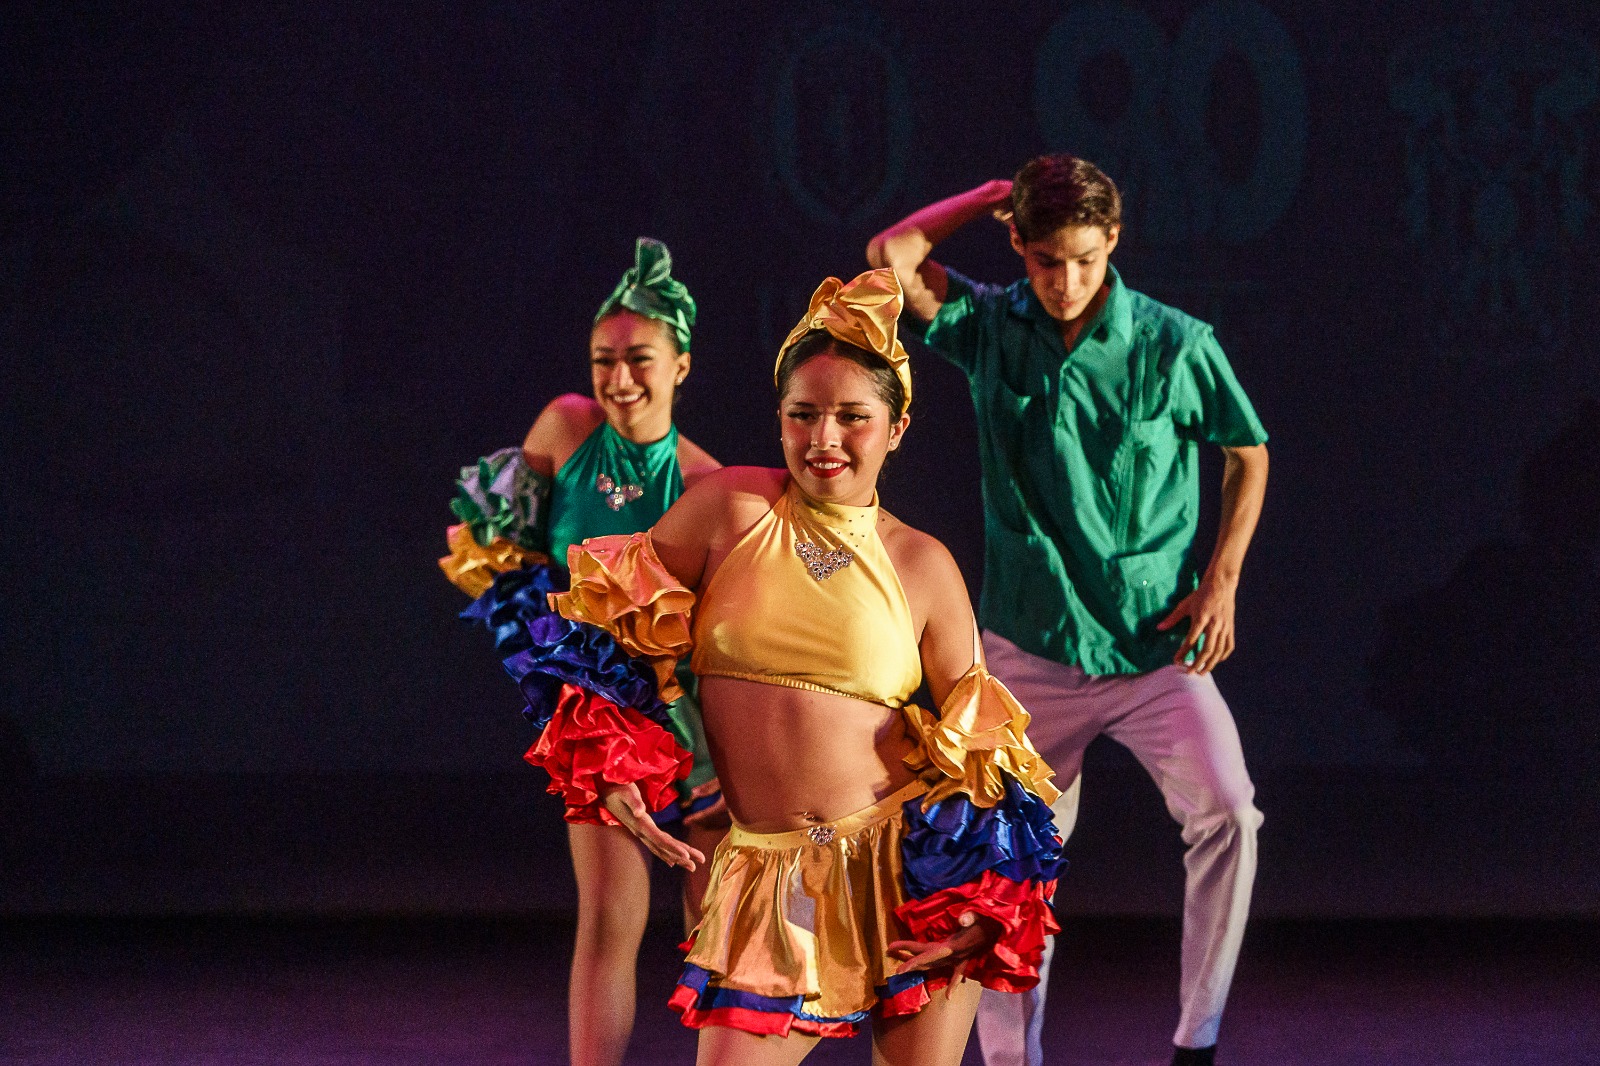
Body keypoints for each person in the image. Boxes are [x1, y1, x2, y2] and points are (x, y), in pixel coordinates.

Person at [500, 268, 1066, 1066]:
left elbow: (983, 756)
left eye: (851, 418)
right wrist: (613, 769)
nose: (823, 439)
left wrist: (989, 903)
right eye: (803, 415)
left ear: (897, 426)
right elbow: (601, 637)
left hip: (908, 875)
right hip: (769, 880)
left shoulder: (923, 564)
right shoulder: (728, 509)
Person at [867, 155, 1270, 1066]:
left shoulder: (1175, 342)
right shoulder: (990, 327)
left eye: (1084, 260)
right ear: (1020, 246)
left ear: (1113, 245)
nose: (1066, 280)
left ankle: (1196, 1042)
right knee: (1010, 866)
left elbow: (1248, 449)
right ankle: (1013, 1060)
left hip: (1151, 650)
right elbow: (891, 255)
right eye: (1047, 260)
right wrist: (982, 195)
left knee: (1231, 812)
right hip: (1029, 653)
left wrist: (1224, 578)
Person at [438, 237, 726, 1066]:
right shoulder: (566, 427)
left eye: (641, 358)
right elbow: (493, 557)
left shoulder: (708, 482)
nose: (620, 378)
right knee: (608, 914)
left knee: (717, 926)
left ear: (681, 367)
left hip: (690, 728)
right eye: (606, 359)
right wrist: (557, 670)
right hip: (595, 723)